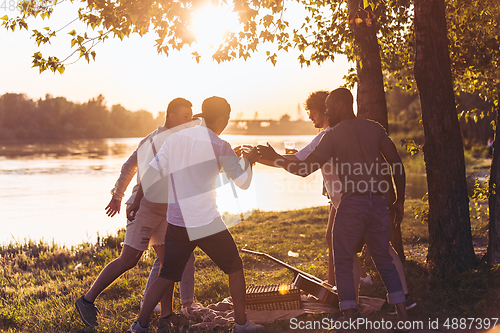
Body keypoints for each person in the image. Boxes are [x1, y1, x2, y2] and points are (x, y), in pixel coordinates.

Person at [258, 88, 409, 322]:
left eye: (328, 106)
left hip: (351, 205)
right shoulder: (374, 128)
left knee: (342, 259)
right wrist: (399, 201)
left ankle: (350, 317)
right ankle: (402, 313)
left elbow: (303, 169)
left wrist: (273, 156)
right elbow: (396, 163)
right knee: (383, 259)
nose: (327, 111)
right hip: (378, 204)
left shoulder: (332, 135)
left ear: (340, 105)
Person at [127, 96, 262, 333]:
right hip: (207, 222)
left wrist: (137, 199)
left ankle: (139, 325)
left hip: (177, 221)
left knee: (167, 274)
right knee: (235, 267)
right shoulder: (220, 145)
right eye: (228, 118)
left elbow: (151, 173)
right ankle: (242, 324)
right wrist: (248, 161)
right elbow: (243, 182)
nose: (228, 122)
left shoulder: (175, 139)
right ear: (221, 118)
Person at [75, 98, 197, 328]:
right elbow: (131, 166)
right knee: (129, 259)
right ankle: (86, 300)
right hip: (145, 209)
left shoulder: (178, 137)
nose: (188, 120)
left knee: (167, 263)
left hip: (165, 211)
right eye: (184, 116)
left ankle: (166, 315)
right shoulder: (155, 141)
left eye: (190, 116)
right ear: (171, 116)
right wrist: (118, 195)